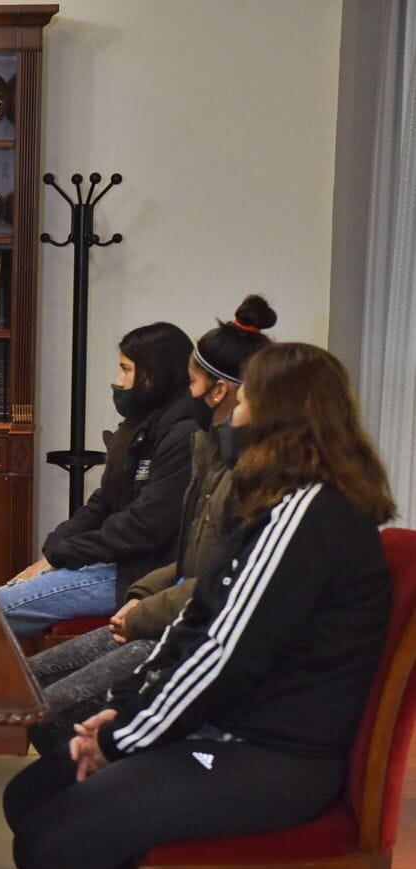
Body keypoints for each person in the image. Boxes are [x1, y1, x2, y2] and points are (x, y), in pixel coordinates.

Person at [3, 342, 394, 869]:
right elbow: (195, 628)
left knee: (49, 842)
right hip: (235, 739)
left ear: (280, 419)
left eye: (243, 403)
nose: (230, 415)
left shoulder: (308, 516)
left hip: (273, 761)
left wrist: (123, 739)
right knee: (33, 794)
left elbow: (223, 657)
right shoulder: (280, 508)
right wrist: (122, 713)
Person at [28, 296, 275, 754]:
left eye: (193, 381)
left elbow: (221, 581)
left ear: (220, 392)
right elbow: (185, 557)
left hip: (188, 634)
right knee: (31, 684)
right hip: (164, 609)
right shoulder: (211, 452)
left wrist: (147, 609)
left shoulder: (253, 475)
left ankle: (85, 788)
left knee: (49, 710)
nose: (187, 392)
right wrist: (144, 597)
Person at [0, 322, 198, 638]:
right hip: (114, 562)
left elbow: (143, 527)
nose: (117, 382)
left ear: (153, 376)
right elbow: (105, 500)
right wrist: (55, 549)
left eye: (125, 370)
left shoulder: (184, 434)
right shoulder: (140, 424)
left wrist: (68, 553)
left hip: (140, 574)